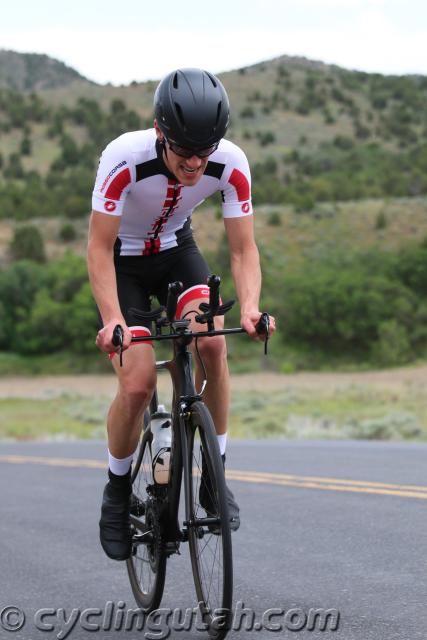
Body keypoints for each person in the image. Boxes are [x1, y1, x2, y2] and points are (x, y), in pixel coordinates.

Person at [87, 68, 276, 561]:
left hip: (176, 251)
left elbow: (243, 250)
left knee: (213, 342)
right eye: (184, 149)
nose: (195, 162)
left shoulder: (231, 163)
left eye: (205, 149)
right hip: (123, 264)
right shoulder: (123, 157)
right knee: (137, 382)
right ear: (159, 131)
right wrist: (113, 320)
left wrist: (252, 307)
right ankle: (116, 489)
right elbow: (99, 247)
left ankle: (215, 479)